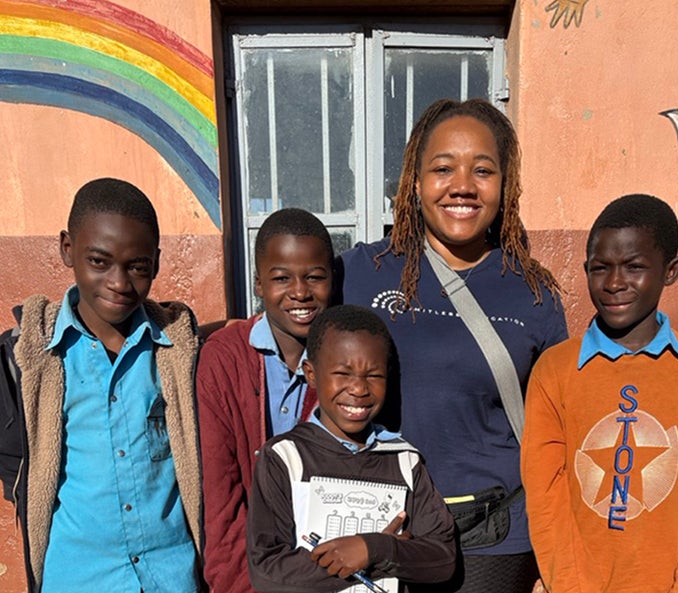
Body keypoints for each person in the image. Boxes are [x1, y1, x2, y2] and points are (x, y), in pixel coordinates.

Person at [337, 98, 678, 593]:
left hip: (495, 538)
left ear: (505, 185)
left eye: (483, 170)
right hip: (382, 523)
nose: (462, 185)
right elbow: (292, 339)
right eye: (443, 168)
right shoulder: (359, 272)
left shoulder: (532, 292)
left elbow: (581, 408)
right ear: (414, 180)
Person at [0, 178, 204, 592]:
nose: (119, 282)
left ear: (157, 263)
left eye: (137, 266)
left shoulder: (179, 353)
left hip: (172, 576)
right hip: (76, 577)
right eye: (99, 262)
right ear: (67, 249)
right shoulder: (28, 357)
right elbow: (15, 467)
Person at [521, 194, 678, 592]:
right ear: (586, 270)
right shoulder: (555, 369)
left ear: (671, 271)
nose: (615, 283)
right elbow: (546, 493)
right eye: (601, 269)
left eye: (635, 267)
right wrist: (567, 585)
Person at [246, 304, 457, 592]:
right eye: (343, 374)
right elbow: (268, 572)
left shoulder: (403, 460)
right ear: (311, 374)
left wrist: (376, 549)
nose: (358, 389)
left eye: (373, 375)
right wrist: (366, 560)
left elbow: (442, 559)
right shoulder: (284, 458)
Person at [196, 208, 334, 593]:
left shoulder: (344, 361)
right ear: (258, 283)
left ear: (332, 280)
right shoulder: (224, 358)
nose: (300, 292)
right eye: (281, 278)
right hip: (247, 575)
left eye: (315, 277)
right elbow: (221, 500)